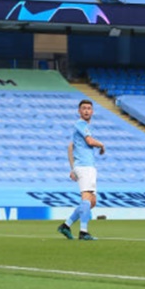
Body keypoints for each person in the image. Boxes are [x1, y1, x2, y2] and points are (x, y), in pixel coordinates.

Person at [57, 99, 105, 241]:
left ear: (92, 111)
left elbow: (70, 147)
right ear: (79, 111)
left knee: (92, 201)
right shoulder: (80, 124)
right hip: (85, 166)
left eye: (89, 108)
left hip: (84, 166)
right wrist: (102, 145)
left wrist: (73, 169)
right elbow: (90, 141)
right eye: (83, 108)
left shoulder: (83, 128)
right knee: (86, 198)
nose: (86, 110)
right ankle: (83, 232)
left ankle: (66, 225)